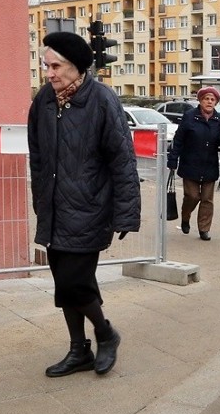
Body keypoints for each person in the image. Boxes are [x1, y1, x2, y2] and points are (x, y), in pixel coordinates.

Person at [28, 32, 140, 377]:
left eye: (55, 65)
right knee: (65, 283)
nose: (49, 73)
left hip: (90, 207)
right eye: (46, 65)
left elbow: (123, 159)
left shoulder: (101, 100)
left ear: (76, 68)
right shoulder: (44, 101)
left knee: (75, 281)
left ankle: (106, 334)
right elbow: (38, 157)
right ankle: (79, 351)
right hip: (55, 209)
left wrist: (125, 212)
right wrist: (40, 199)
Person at [167, 86, 220, 240]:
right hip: (190, 164)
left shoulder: (219, 119)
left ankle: (204, 229)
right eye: (206, 98)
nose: (209, 102)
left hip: (210, 164)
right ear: (200, 100)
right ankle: (185, 217)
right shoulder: (190, 116)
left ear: (216, 103)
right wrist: (173, 159)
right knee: (192, 196)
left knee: (207, 199)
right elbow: (178, 139)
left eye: (213, 100)